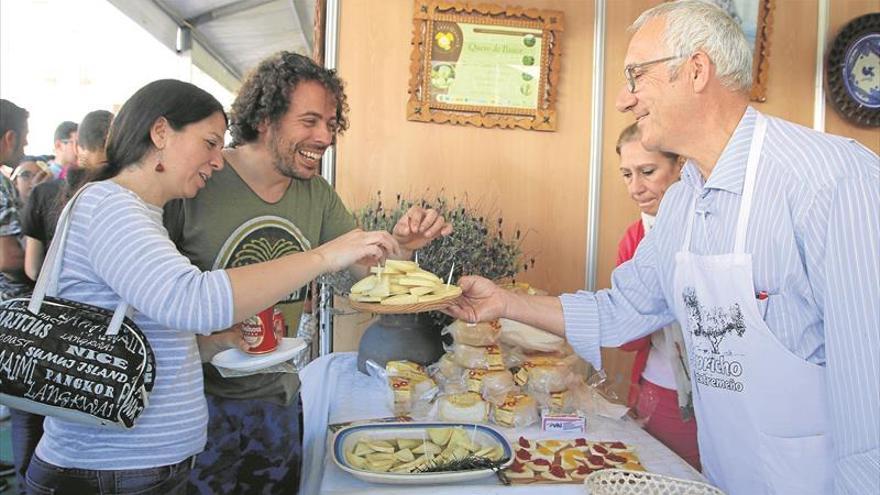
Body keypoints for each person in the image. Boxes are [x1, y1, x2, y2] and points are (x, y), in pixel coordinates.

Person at [445, 2, 879, 494]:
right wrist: (504, 304)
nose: (624, 100)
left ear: (696, 70)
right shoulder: (683, 201)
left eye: (636, 75)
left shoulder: (832, 180)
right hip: (724, 476)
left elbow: (872, 383)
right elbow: (624, 309)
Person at [24, 79, 399, 495]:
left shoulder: (141, 214)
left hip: (141, 469)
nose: (218, 161)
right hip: (111, 472)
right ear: (161, 132)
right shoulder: (110, 206)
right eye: (209, 143)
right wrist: (324, 256)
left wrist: (215, 344)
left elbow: (143, 338)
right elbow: (194, 300)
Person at [164, 51, 452, 495]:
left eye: (332, 124)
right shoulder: (201, 179)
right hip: (193, 402)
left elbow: (369, 273)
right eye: (310, 121)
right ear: (265, 119)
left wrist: (402, 250)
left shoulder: (317, 194)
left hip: (277, 399)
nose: (325, 137)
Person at [613, 123, 698, 469]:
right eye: (626, 174)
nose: (636, 188)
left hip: (725, 393)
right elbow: (626, 338)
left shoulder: (710, 229)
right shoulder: (633, 240)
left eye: (648, 172)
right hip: (660, 386)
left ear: (680, 166)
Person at [22, 110, 114, 281]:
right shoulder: (128, 195)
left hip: (56, 300)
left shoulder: (42, 192)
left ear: (78, 146)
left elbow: (33, 269)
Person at [0, 98, 36, 494]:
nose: (23, 147)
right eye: (23, 139)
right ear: (8, 137)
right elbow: (8, 255)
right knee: (25, 406)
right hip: (9, 314)